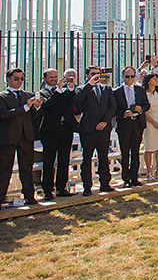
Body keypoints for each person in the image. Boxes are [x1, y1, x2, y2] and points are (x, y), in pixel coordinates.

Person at [0, 68, 43, 205]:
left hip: (26, 136)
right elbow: (5, 114)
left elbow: (33, 116)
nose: (19, 81)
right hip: (9, 137)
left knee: (27, 167)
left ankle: (29, 196)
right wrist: (26, 107)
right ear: (8, 79)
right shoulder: (2, 96)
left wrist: (36, 107)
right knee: (4, 169)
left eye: (21, 79)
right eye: (16, 78)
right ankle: (1, 197)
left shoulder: (28, 95)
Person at [74, 65, 117, 195]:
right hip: (88, 129)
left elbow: (112, 106)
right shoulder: (81, 89)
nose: (96, 76)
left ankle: (105, 183)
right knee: (87, 158)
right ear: (87, 75)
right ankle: (87, 186)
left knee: (103, 156)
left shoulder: (106, 89)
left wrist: (105, 121)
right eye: (93, 73)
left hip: (103, 128)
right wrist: (90, 85)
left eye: (98, 73)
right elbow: (78, 100)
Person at [37, 69, 76, 199]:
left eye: (55, 76)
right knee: (49, 160)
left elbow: (70, 102)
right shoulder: (42, 93)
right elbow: (48, 105)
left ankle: (62, 188)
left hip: (65, 128)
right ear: (45, 79)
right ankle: (48, 190)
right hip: (50, 131)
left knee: (64, 159)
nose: (54, 79)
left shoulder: (63, 91)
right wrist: (58, 90)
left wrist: (70, 88)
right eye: (51, 77)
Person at [113, 66, 150, 187]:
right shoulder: (116, 91)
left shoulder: (140, 90)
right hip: (124, 123)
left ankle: (134, 177)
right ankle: (126, 179)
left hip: (137, 123)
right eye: (127, 76)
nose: (130, 79)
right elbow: (113, 109)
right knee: (125, 152)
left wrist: (141, 109)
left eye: (132, 76)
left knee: (135, 151)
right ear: (123, 77)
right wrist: (123, 113)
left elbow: (147, 105)